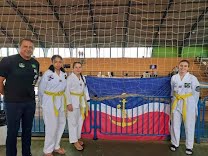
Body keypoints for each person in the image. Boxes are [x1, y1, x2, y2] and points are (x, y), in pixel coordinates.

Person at [0, 39, 39, 156]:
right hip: (13, 103)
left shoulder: (35, 63)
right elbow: (0, 81)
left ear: (33, 49)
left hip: (30, 102)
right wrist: (7, 95)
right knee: (12, 131)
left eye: (31, 47)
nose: (28, 49)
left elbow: (33, 81)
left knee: (27, 131)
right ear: (20, 47)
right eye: (25, 46)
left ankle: (27, 153)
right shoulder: (8, 61)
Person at [38, 55, 67, 156]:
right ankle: (47, 150)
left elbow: (65, 88)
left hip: (61, 100)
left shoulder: (64, 74)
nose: (58, 64)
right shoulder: (47, 74)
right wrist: (44, 103)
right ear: (52, 62)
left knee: (61, 123)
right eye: (56, 62)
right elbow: (41, 90)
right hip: (50, 101)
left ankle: (56, 146)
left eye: (60, 62)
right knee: (51, 126)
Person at [170, 60, 200, 155]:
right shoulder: (174, 77)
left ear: (188, 68)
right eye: (181, 65)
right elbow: (172, 90)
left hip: (188, 103)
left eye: (185, 66)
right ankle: (175, 143)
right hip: (176, 102)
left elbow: (196, 92)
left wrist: (193, 103)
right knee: (175, 124)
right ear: (178, 66)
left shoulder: (192, 78)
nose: (183, 68)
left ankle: (189, 146)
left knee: (189, 125)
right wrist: (173, 100)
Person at [66, 62, 90, 151]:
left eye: (79, 67)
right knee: (73, 122)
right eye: (76, 67)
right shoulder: (70, 78)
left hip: (81, 102)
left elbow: (85, 89)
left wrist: (87, 101)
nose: (78, 69)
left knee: (80, 121)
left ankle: (77, 137)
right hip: (72, 101)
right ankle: (74, 140)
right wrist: (68, 103)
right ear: (73, 68)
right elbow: (66, 91)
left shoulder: (83, 78)